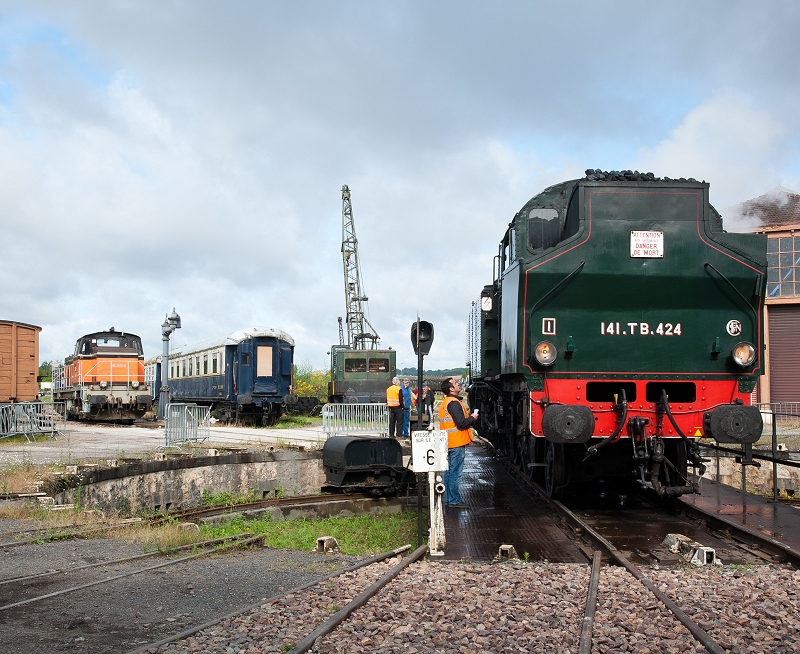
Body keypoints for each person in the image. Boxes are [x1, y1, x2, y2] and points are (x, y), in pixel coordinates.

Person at [439, 377, 478, 507]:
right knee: (455, 473)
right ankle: (454, 500)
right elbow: (461, 423)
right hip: (456, 443)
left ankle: (447, 499)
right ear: (451, 388)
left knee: (449, 473)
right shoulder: (453, 403)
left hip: (449, 443)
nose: (458, 384)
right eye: (455, 383)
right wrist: (472, 418)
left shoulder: (446, 402)